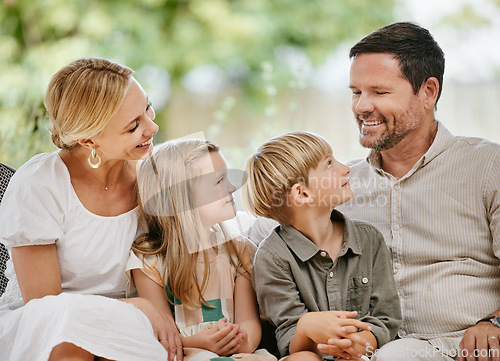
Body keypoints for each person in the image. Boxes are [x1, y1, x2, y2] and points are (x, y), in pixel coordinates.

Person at [336, 21, 500, 361]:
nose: (361, 106)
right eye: (356, 92)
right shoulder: (342, 182)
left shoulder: (488, 166)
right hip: (373, 351)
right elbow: (260, 234)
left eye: (379, 92)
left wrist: (497, 323)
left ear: (428, 92)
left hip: (468, 349)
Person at [0, 57, 183, 361]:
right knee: (71, 338)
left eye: (147, 108)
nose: (153, 126)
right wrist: (138, 306)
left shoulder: (154, 174)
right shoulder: (41, 184)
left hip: (129, 326)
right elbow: (48, 309)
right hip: (48, 332)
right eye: (133, 126)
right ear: (88, 140)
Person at [243, 131, 401, 361]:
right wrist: (307, 327)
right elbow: (290, 340)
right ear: (302, 193)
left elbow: (386, 318)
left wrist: (361, 344)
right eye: (329, 164)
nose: (345, 168)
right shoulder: (271, 258)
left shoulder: (369, 240)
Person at [126, 139, 277, 361]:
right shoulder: (148, 260)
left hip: (238, 353)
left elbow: (249, 324)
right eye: (219, 181)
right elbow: (163, 336)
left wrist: (234, 340)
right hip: (184, 354)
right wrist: (195, 343)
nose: (232, 188)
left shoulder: (239, 251)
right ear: (180, 198)